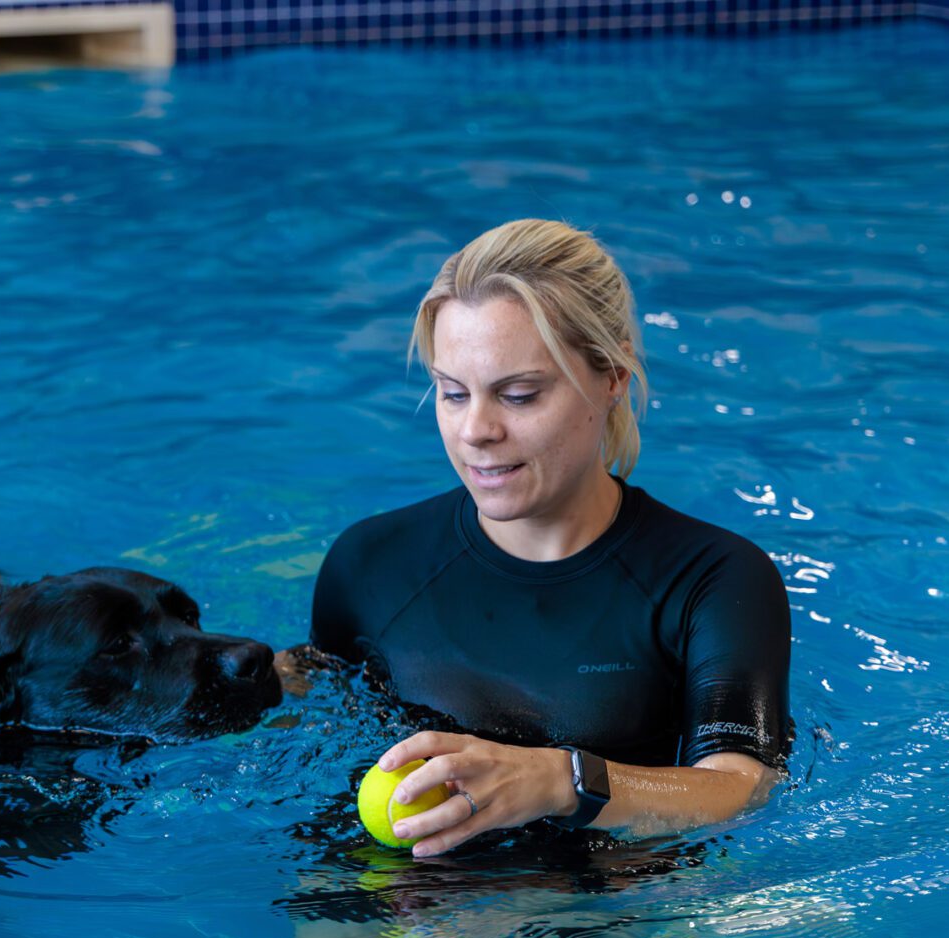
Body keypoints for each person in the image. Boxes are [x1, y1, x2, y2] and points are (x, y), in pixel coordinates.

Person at [310, 217, 792, 857]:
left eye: (518, 394)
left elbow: (743, 787)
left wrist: (563, 781)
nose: (476, 430)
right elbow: (312, 715)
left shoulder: (714, 578)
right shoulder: (368, 564)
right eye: (453, 394)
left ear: (613, 376)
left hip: (595, 887)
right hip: (393, 863)